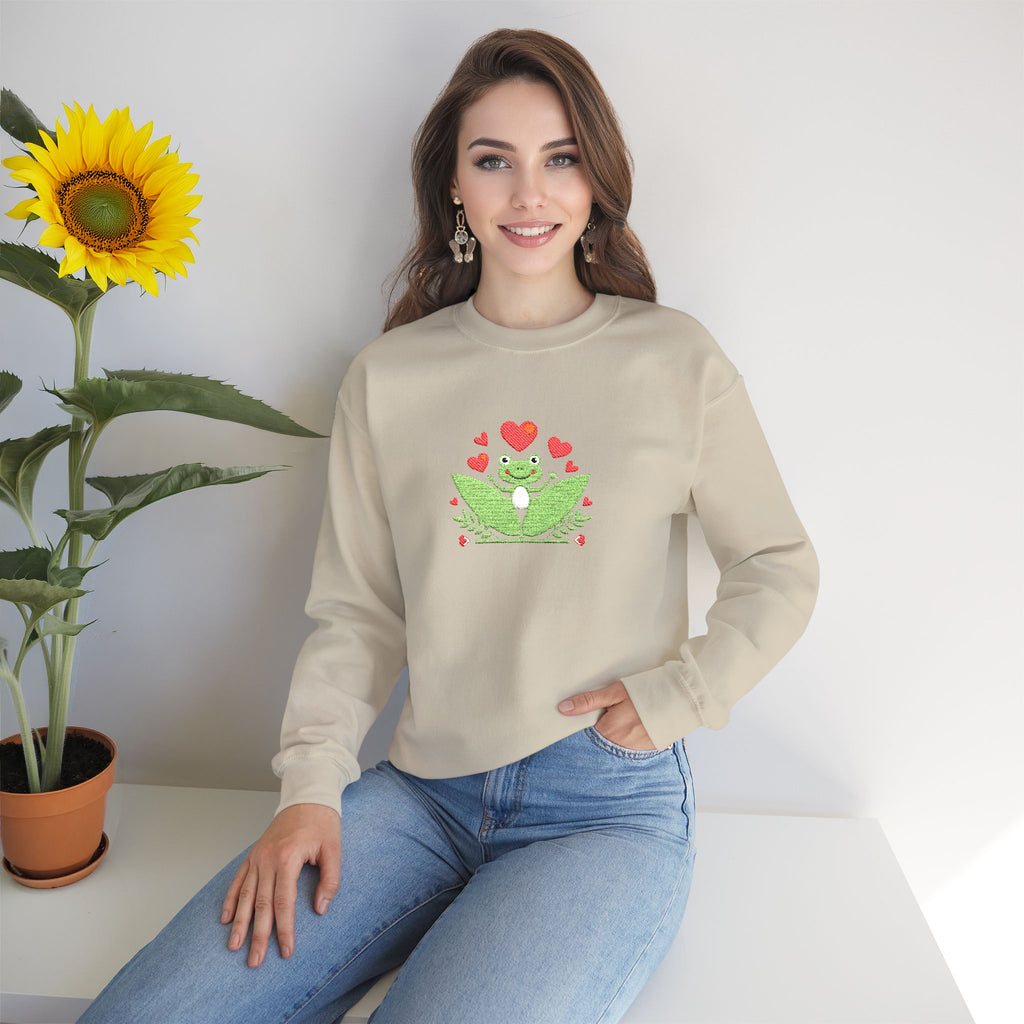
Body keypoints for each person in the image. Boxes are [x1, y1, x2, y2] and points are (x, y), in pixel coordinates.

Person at [78, 27, 819, 1024]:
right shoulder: (389, 378)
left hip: (603, 807)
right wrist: (309, 788)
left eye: (560, 158)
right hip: (422, 794)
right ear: (453, 189)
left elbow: (778, 565)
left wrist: (684, 688)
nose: (529, 192)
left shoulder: (674, 361)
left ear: (595, 180)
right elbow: (359, 615)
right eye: (493, 160)